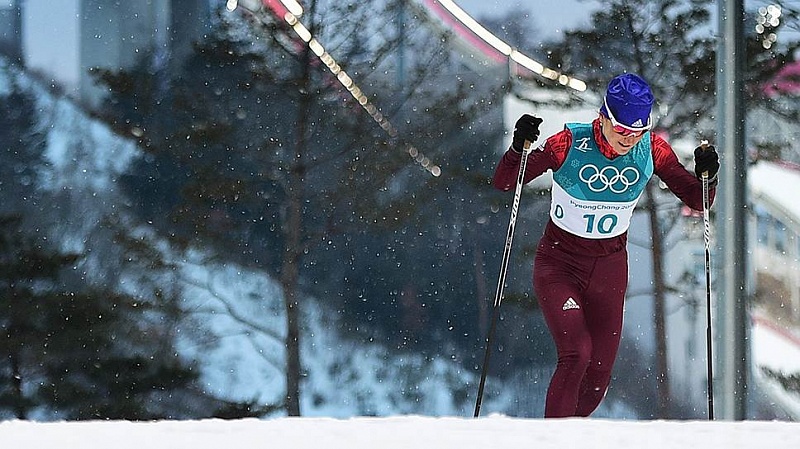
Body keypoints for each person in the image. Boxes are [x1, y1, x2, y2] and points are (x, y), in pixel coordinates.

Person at [492, 73, 720, 418]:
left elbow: (696, 199)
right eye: (622, 130)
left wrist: (708, 177)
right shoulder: (569, 143)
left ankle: (574, 433)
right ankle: (554, 441)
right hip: (559, 264)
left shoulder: (652, 149)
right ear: (603, 118)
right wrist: (518, 148)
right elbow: (506, 181)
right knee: (576, 353)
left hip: (609, 269)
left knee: (598, 374)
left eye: (638, 131)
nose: (629, 140)